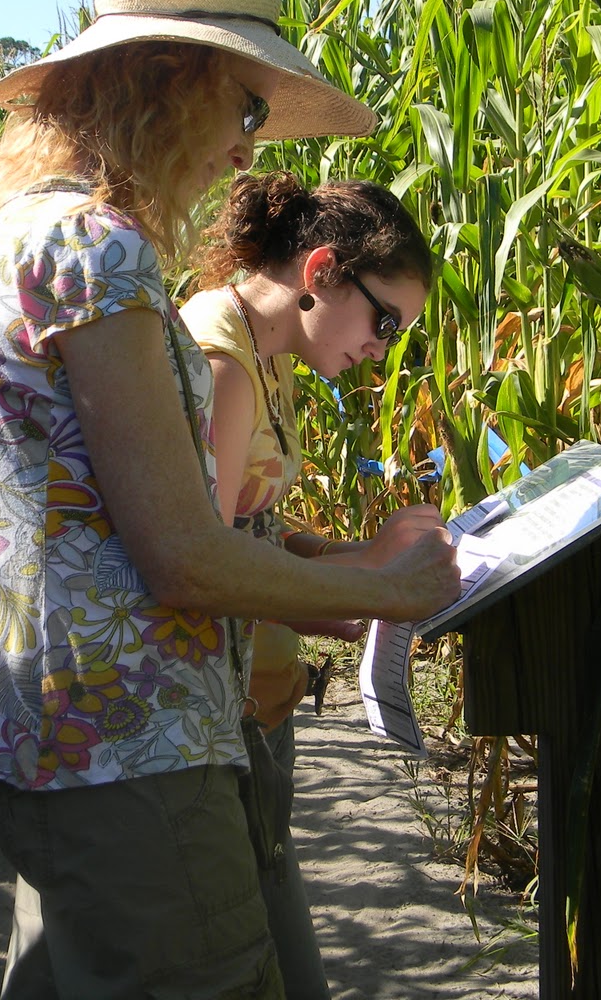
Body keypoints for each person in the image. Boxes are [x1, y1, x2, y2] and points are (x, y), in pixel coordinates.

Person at [0, 0, 460, 1000]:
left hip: (45, 741)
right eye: (246, 107)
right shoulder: (96, 247)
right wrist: (388, 589)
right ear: (173, 77)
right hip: (131, 750)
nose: (246, 150)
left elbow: (118, 518)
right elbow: (182, 554)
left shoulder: (14, 233)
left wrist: (330, 579)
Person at [181, 169, 434, 1000]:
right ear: (322, 271)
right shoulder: (222, 358)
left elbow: (255, 533)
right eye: (385, 320)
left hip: (258, 706)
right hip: (216, 727)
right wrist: (377, 584)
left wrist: (360, 549)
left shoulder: (268, 351)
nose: (381, 348)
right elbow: (211, 568)